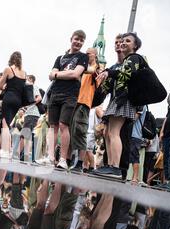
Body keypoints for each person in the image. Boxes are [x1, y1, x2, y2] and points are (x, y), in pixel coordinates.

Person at [94, 32, 146, 179]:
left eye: (128, 41)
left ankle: (115, 167)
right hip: (117, 99)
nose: (123, 43)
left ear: (135, 45)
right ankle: (110, 165)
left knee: (115, 132)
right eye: (122, 41)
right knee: (108, 133)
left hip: (124, 99)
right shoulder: (124, 61)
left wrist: (109, 72)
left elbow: (125, 74)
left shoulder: (134, 58)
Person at [37, 30, 88, 169]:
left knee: (64, 125)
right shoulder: (60, 57)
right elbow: (50, 75)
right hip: (55, 94)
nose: (78, 42)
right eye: (76, 39)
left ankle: (63, 160)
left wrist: (57, 74)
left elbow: (75, 74)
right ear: (71, 39)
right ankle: (50, 157)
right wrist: (64, 74)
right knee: (53, 126)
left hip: (70, 95)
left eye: (81, 40)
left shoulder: (83, 57)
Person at [70, 47, 102, 172]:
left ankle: (80, 163)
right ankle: (69, 160)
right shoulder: (83, 67)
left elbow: (97, 80)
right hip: (75, 100)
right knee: (72, 131)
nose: (86, 55)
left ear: (95, 55)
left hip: (85, 102)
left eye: (88, 54)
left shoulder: (97, 69)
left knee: (81, 132)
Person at [0, 51, 27, 158]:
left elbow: (0, 85)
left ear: (11, 59)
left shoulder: (8, 69)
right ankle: (7, 150)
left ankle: (5, 150)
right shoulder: (24, 72)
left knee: (5, 124)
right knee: (8, 123)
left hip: (9, 97)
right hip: (18, 101)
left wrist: (4, 87)